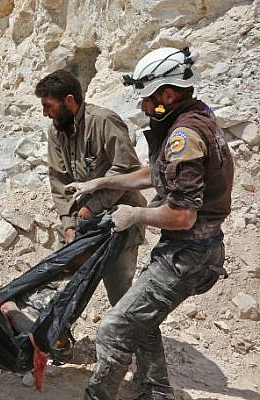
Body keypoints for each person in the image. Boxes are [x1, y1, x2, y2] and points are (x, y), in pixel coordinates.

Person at [65, 47, 233, 399]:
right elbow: (158, 174)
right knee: (141, 320)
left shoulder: (184, 137)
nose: (144, 107)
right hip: (191, 250)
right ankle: (155, 391)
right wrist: (102, 182)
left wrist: (136, 214)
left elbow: (183, 215)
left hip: (189, 254)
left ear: (168, 95)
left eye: (148, 99)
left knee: (114, 330)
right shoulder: (196, 117)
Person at [34, 69, 147, 362]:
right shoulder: (57, 130)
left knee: (119, 291)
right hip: (83, 221)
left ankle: (134, 357)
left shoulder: (103, 121)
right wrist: (69, 225)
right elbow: (59, 179)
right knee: (66, 282)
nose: (45, 113)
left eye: (49, 105)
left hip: (120, 217)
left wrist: (93, 206)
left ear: (69, 101)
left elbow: (126, 170)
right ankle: (59, 339)